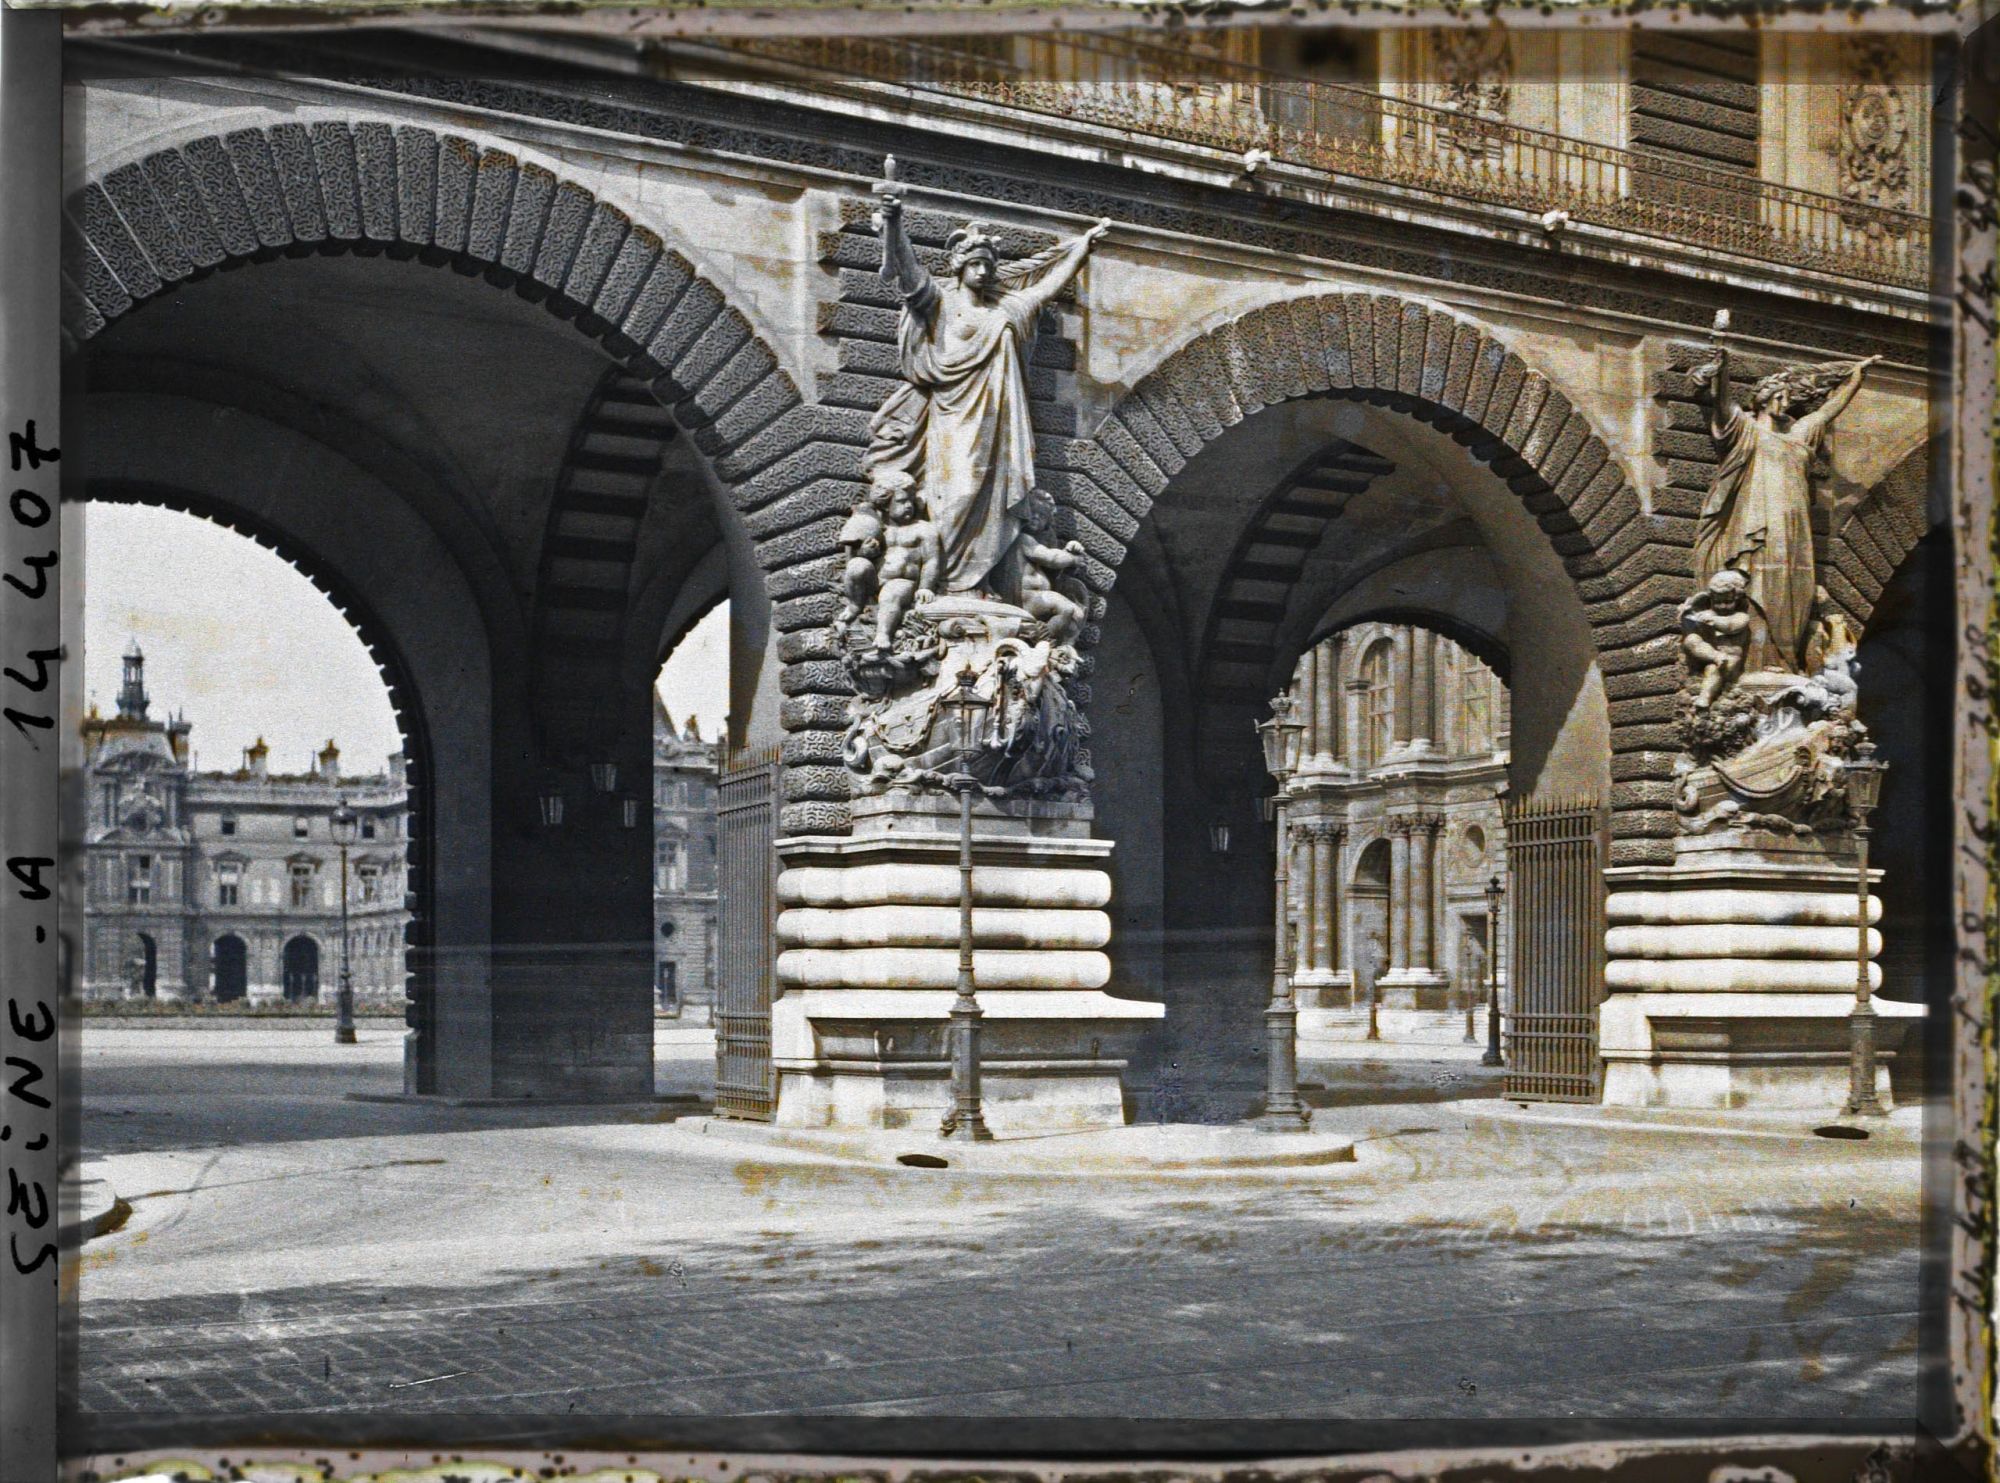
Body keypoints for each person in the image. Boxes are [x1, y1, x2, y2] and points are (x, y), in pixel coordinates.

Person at [868, 179, 1110, 601]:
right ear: (959, 267)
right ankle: (944, 584)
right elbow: (907, 273)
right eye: (976, 264)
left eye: (988, 265)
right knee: (956, 494)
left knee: (997, 503)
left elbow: (1044, 290)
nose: (983, 270)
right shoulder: (941, 303)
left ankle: (980, 585)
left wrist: (1080, 250)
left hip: (1001, 427)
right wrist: (894, 221)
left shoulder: (1008, 308)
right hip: (952, 422)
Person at [1692, 346, 1880, 674]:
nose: (1786, 403)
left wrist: (1856, 378)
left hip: (1797, 529)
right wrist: (1721, 371)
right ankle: (1753, 666)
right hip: (1758, 521)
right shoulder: (1746, 431)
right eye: (1780, 396)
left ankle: (1788, 663)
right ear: (1765, 398)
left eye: (1787, 397)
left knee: (1798, 589)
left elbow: (1827, 412)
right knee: (1760, 583)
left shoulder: (1799, 436)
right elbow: (1722, 405)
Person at [871, 484, 943, 653]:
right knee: (856, 568)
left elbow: (931, 560)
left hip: (903, 582)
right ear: (885, 505)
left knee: (892, 593)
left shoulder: (923, 529)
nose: (909, 505)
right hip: (875, 582)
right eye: (902, 501)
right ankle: (853, 607)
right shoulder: (877, 528)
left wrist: (925, 587)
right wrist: (865, 552)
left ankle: (882, 635)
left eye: (911, 500)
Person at [1012, 492, 1090, 646]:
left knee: (1078, 614)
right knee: (1066, 609)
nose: (1035, 517)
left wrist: (1069, 553)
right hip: (1025, 597)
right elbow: (1051, 558)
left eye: (1041, 516)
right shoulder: (1023, 539)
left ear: (1047, 523)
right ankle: (1042, 635)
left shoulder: (1038, 540)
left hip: (1038, 597)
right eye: (1032, 512)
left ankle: (1058, 644)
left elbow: (1054, 569)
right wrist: (1072, 559)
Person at [1679, 568, 1754, 709]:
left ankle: (1705, 697)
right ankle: (1716, 656)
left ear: (1737, 600)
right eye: (1717, 602)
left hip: (1730, 660)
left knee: (1715, 669)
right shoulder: (1706, 613)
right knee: (1691, 640)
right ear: (1711, 599)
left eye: (1728, 602)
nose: (1722, 606)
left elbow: (1730, 626)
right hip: (1709, 655)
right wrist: (1687, 616)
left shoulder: (1741, 617)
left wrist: (1714, 621)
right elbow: (1690, 628)